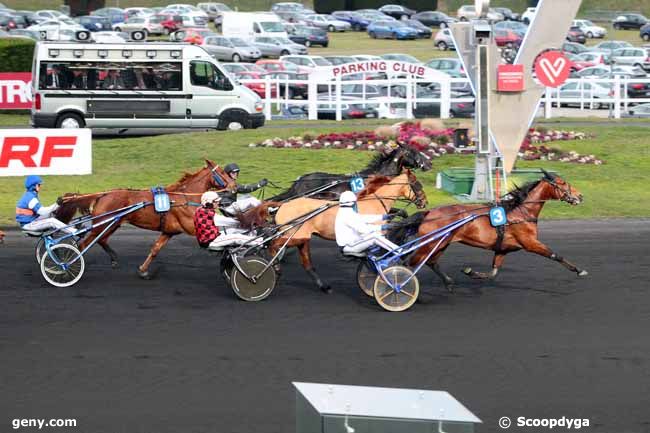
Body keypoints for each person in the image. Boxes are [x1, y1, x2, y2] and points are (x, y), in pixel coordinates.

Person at [335, 191, 401, 256]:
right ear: (353, 203)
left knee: (378, 234)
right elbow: (363, 229)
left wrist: (383, 217)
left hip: (352, 242)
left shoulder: (345, 211)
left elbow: (364, 218)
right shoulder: (347, 215)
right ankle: (400, 251)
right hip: (349, 247)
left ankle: (386, 252)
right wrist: (382, 227)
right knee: (374, 237)